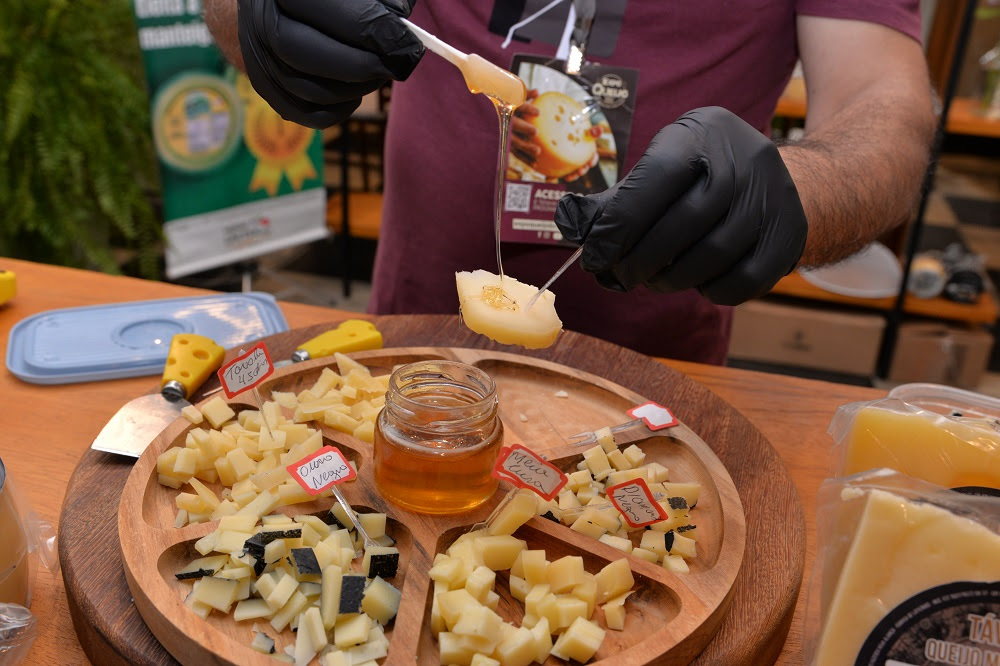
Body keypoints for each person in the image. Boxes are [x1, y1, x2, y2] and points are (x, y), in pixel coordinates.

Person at [205, 0, 935, 364]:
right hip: (411, 340)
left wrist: (796, 187)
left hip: (658, 376)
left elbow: (887, 105)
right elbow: (239, 11)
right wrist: (253, 15)